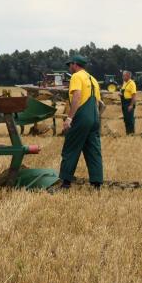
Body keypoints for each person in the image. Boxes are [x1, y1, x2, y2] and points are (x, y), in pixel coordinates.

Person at [52, 54, 103, 191]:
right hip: (94, 118)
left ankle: (65, 183)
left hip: (81, 117)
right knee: (93, 150)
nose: (69, 67)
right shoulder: (93, 80)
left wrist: (69, 118)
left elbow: (77, 97)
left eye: (70, 65)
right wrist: (95, 120)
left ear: (75, 64)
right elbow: (100, 104)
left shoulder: (76, 77)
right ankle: (96, 183)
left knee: (71, 148)